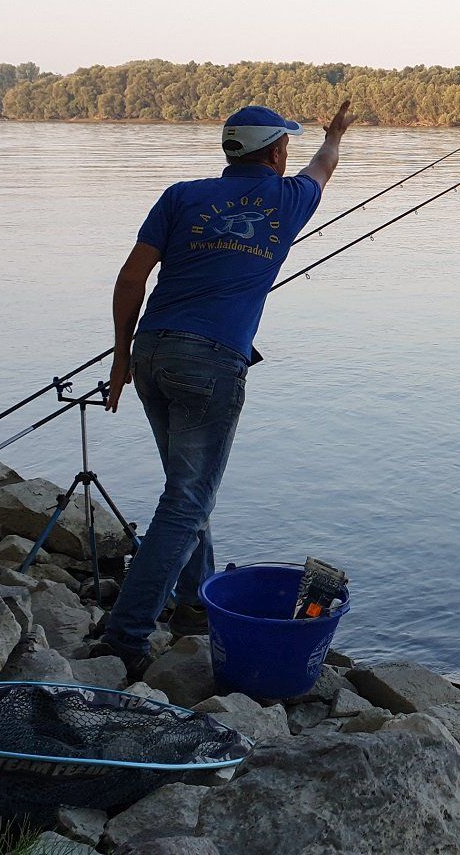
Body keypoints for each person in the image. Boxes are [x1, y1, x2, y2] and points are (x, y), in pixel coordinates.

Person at [90, 100, 351, 672]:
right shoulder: (289, 200)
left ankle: (192, 601)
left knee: (186, 489)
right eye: (286, 145)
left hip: (153, 353)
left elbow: (132, 277)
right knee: (187, 501)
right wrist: (333, 135)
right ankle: (126, 636)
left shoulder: (181, 195)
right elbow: (325, 166)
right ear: (278, 151)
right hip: (212, 364)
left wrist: (120, 359)